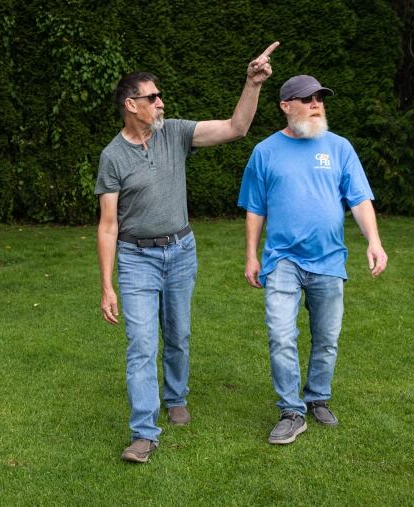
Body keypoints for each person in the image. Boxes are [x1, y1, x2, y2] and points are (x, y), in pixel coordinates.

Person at [96, 42, 279, 463]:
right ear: (131, 104)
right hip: (136, 258)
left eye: (159, 97)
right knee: (141, 344)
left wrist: (252, 83)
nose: (161, 103)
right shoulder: (112, 157)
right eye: (153, 97)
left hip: (180, 252)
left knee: (177, 334)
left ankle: (175, 395)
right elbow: (108, 226)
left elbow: (236, 127)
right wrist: (107, 286)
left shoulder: (175, 133)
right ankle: (144, 432)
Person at [237, 74, 388, 445]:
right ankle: (291, 410)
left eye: (320, 98)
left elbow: (358, 199)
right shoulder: (265, 152)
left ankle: (317, 396)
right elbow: (255, 209)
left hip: (329, 260)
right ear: (286, 106)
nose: (316, 104)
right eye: (306, 99)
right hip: (282, 260)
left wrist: (374, 241)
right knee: (281, 335)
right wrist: (251, 256)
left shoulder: (339, 148)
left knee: (327, 338)